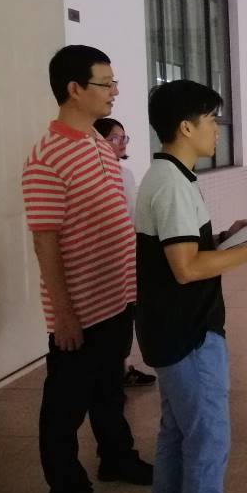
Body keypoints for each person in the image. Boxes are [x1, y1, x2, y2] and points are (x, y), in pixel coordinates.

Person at [135, 80, 247, 493]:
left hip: (169, 329)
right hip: (189, 334)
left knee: (176, 436)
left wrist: (227, 237)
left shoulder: (169, 176)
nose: (217, 129)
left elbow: (181, 251)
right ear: (186, 127)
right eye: (210, 120)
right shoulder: (173, 186)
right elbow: (186, 268)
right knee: (207, 443)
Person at [21, 45, 152, 493]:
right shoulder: (46, 157)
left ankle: (117, 457)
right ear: (74, 89)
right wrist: (64, 315)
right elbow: (45, 242)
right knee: (64, 407)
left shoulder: (97, 141)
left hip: (116, 297)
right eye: (105, 83)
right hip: (79, 308)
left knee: (109, 389)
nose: (114, 91)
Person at [94, 117, 156, 389]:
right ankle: (110, 371)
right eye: (114, 138)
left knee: (126, 313)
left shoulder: (126, 174)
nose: (122, 143)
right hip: (104, 258)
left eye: (124, 137)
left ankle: (124, 367)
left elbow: (131, 216)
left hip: (128, 254)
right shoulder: (94, 175)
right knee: (109, 318)